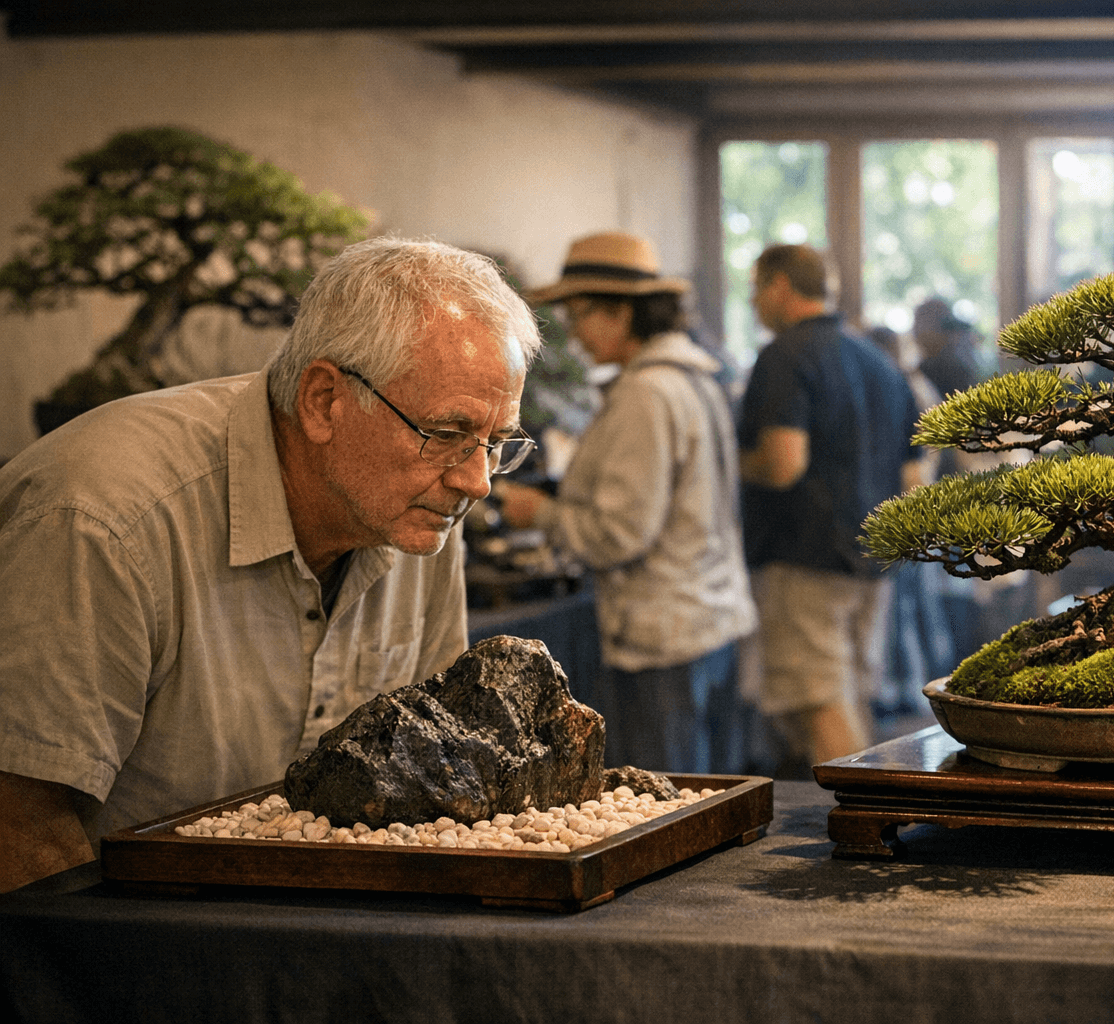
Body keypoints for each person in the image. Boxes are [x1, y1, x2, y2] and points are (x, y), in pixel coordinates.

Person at [0, 237, 541, 892]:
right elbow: (22, 824)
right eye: (449, 432)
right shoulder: (103, 521)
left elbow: (429, 763)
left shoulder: (418, 507)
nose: (479, 481)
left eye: (497, 442)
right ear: (323, 400)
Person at [498, 232, 756, 775]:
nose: (572, 335)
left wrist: (538, 514)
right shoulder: (694, 378)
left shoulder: (646, 393)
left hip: (663, 634)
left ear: (620, 311)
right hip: (712, 616)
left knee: (669, 806)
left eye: (577, 314)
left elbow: (620, 533)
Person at [737, 244, 926, 770]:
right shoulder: (881, 363)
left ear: (779, 285)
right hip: (875, 562)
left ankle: (865, 824)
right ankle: (875, 817)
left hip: (806, 558)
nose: (753, 302)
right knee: (850, 696)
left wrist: (730, 461)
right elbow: (913, 479)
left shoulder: (784, 356)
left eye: (755, 288)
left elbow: (783, 465)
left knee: (817, 702)